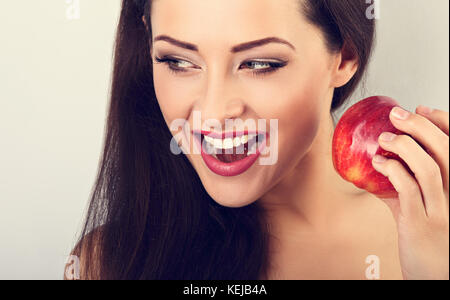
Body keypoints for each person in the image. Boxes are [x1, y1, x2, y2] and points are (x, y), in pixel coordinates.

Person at [65, 0, 449, 280]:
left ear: (344, 58)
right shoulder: (106, 265)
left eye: (259, 64)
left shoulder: (435, 240)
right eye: (178, 62)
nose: (213, 114)